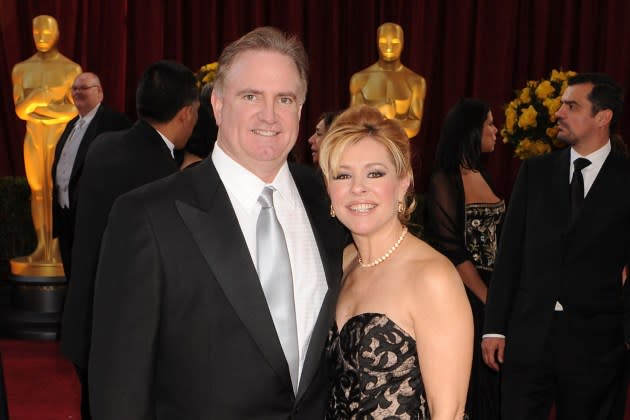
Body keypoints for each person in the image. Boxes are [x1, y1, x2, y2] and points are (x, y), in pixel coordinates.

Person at [88, 27, 346, 419]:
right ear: (219, 105)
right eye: (251, 96)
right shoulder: (146, 217)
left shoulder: (329, 202)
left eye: (285, 99)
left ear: (301, 107)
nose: (269, 115)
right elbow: (119, 390)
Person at [482, 73, 630, 420]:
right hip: (528, 336)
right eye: (561, 104)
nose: (559, 113)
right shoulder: (535, 172)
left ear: (603, 117)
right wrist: (495, 326)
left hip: (598, 343)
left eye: (571, 106)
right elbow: (510, 255)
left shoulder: (626, 179)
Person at [60, 60, 199, 419]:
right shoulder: (165, 176)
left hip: (85, 317)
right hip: (128, 340)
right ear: (186, 113)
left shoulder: (104, 146)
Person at [320, 105, 473, 419]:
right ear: (329, 189)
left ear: (404, 182)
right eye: (343, 175)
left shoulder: (432, 277)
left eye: (375, 173)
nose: (357, 188)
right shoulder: (343, 261)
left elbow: (450, 412)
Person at [426, 98, 503, 419]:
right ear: (471, 130)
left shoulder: (483, 173)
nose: (495, 130)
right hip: (467, 297)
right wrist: (488, 299)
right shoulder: (445, 179)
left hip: (493, 292)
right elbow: (452, 249)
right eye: (489, 123)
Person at [12, 15, 81, 266]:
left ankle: (58, 247)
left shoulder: (70, 70)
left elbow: (73, 111)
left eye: (47, 33)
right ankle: (41, 246)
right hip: (34, 138)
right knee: (38, 191)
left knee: (58, 190)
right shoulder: (21, 69)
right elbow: (20, 110)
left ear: (57, 34)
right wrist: (43, 99)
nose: (41, 38)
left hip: (59, 139)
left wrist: (39, 106)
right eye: (37, 33)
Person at [52, 72, 130, 278]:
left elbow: (122, 170)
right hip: (67, 212)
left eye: (83, 88)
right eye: (74, 89)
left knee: (93, 275)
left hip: (95, 214)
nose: (77, 92)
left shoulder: (114, 123)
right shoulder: (71, 125)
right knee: (72, 272)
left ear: (99, 93)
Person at [349, 22, 426, 139]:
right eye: (383, 43)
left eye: (395, 43)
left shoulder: (416, 81)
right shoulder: (360, 79)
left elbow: (415, 125)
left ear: (403, 43)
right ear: (376, 42)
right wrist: (380, 111)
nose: (389, 48)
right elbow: (352, 123)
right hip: (366, 149)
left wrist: (387, 121)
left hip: (399, 151)